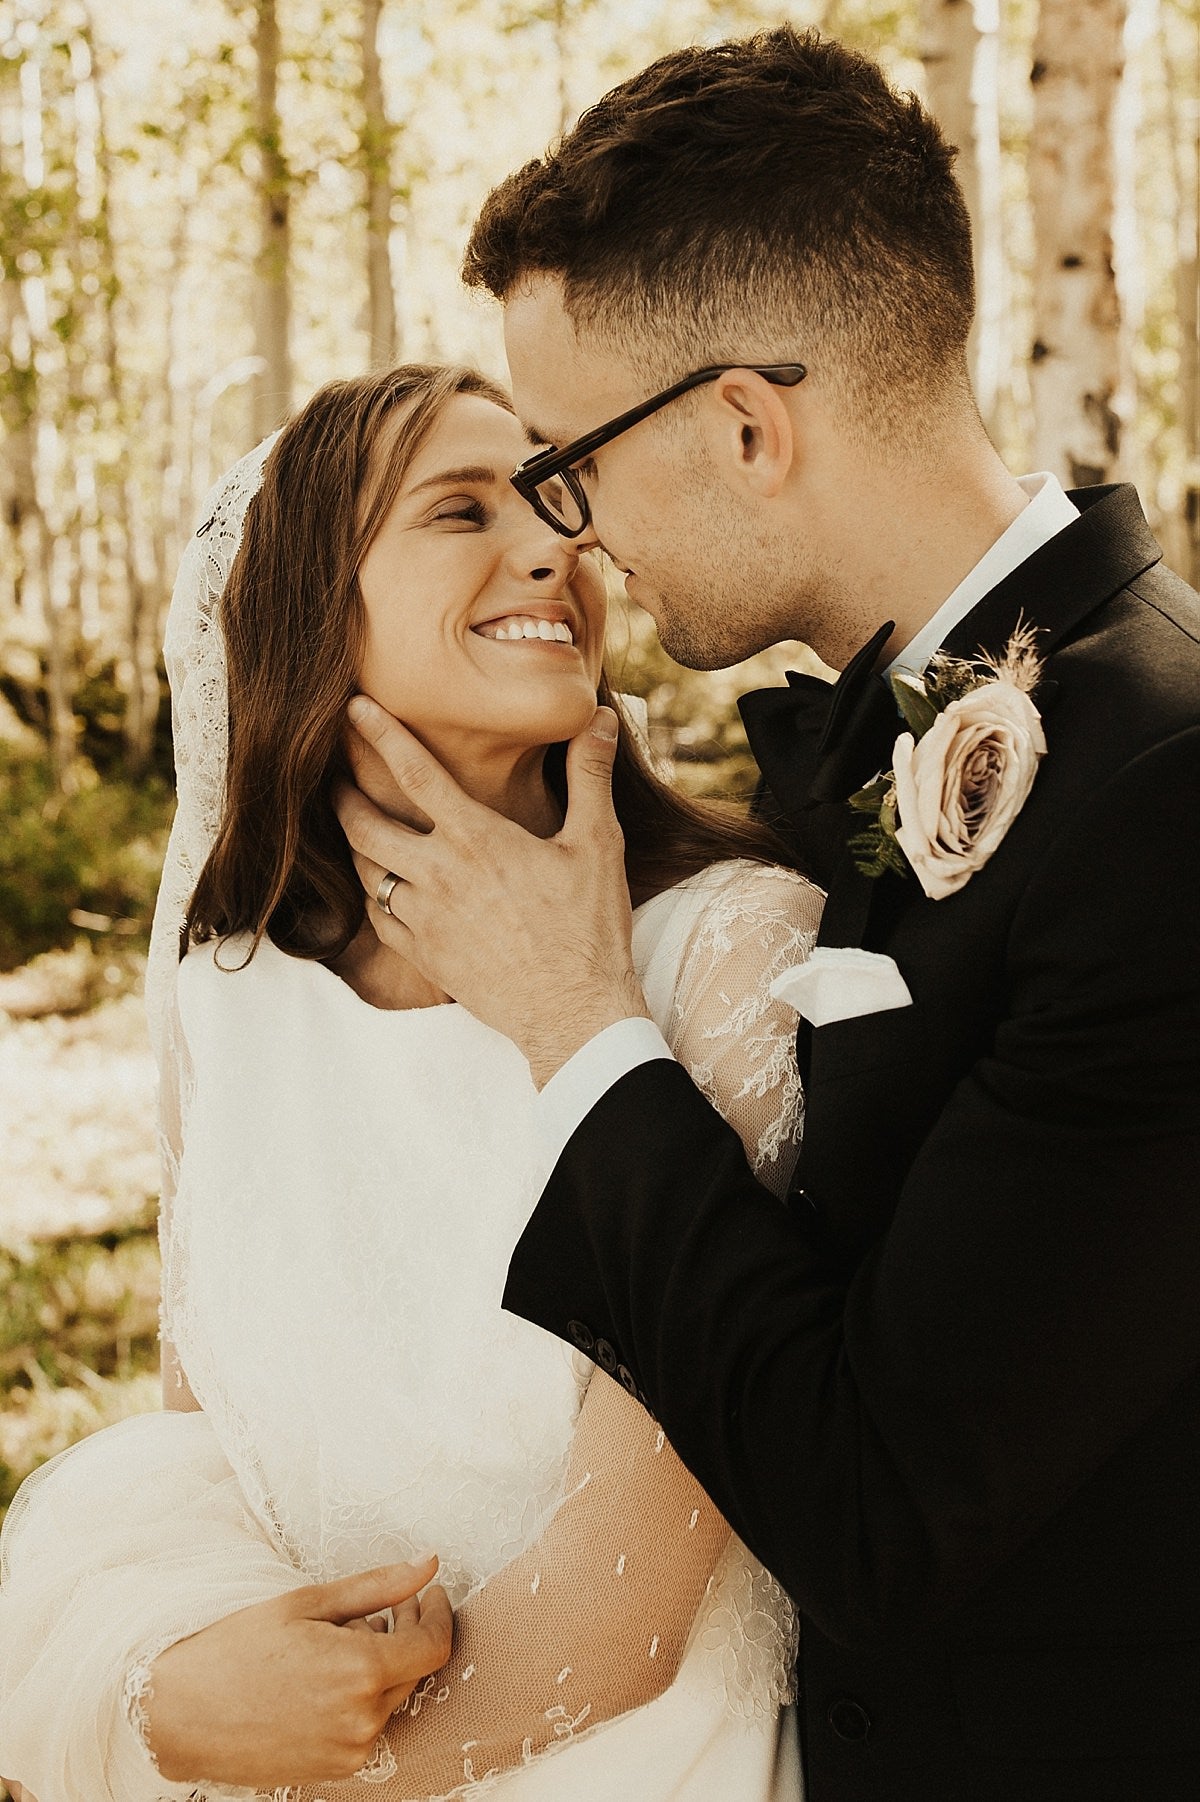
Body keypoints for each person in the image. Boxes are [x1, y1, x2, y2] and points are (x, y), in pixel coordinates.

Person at [331, 28, 1200, 1802]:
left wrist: (579, 1023)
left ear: (743, 424)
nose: (569, 540)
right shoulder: (876, 744)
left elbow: (886, 1503)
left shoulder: (1158, 793)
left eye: (568, 463)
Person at [0, 363, 819, 1801]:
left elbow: (627, 1612)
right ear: (321, 606)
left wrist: (233, 1768)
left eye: (553, 497)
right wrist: (178, 1683)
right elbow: (211, 1464)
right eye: (459, 510)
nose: (555, 546)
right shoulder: (227, 992)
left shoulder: (726, 950)